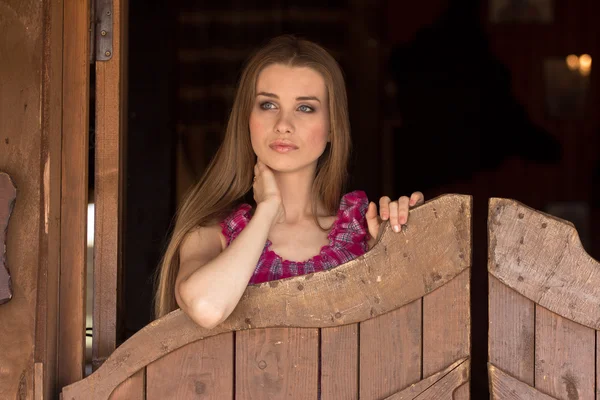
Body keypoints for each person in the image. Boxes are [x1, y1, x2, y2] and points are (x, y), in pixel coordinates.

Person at [154, 35, 424, 329]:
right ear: (247, 119)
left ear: (333, 127)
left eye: (305, 108)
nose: (283, 124)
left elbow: (409, 339)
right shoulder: (210, 233)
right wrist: (268, 208)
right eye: (268, 105)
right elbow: (207, 307)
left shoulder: (365, 231)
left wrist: (401, 244)